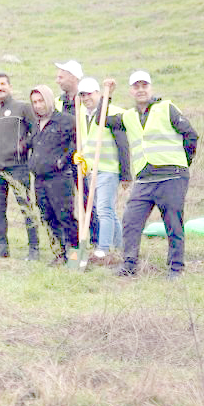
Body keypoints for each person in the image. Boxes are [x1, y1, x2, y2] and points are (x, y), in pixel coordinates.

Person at [114, 71, 198, 277]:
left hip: (172, 177)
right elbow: (100, 120)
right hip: (144, 179)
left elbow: (191, 135)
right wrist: (106, 95)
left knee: (173, 223)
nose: (140, 89)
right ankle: (129, 264)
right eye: (136, 86)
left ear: (150, 88)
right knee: (131, 220)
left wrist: (181, 163)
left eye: (144, 85)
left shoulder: (166, 108)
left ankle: (176, 268)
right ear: (131, 90)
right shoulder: (128, 116)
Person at [0, 72, 39, 260]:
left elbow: (37, 131)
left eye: (2, 84)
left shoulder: (22, 108)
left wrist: (24, 146)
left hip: (17, 166)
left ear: (10, 86)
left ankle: (34, 248)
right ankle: (2, 247)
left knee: (26, 207)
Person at [77, 76, 129, 266]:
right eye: (82, 94)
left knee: (103, 209)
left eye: (89, 93)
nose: (85, 98)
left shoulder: (114, 112)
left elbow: (123, 145)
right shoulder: (81, 113)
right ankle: (120, 246)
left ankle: (103, 248)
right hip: (91, 170)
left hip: (108, 168)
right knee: (108, 210)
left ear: (98, 93)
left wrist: (126, 174)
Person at [27, 85, 79, 265]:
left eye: (41, 101)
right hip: (39, 179)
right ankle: (59, 254)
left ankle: (75, 258)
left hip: (59, 178)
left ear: (49, 100)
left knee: (65, 216)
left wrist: (63, 160)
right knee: (47, 216)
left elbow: (76, 144)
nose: (38, 105)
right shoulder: (35, 124)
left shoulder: (66, 120)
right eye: (34, 102)